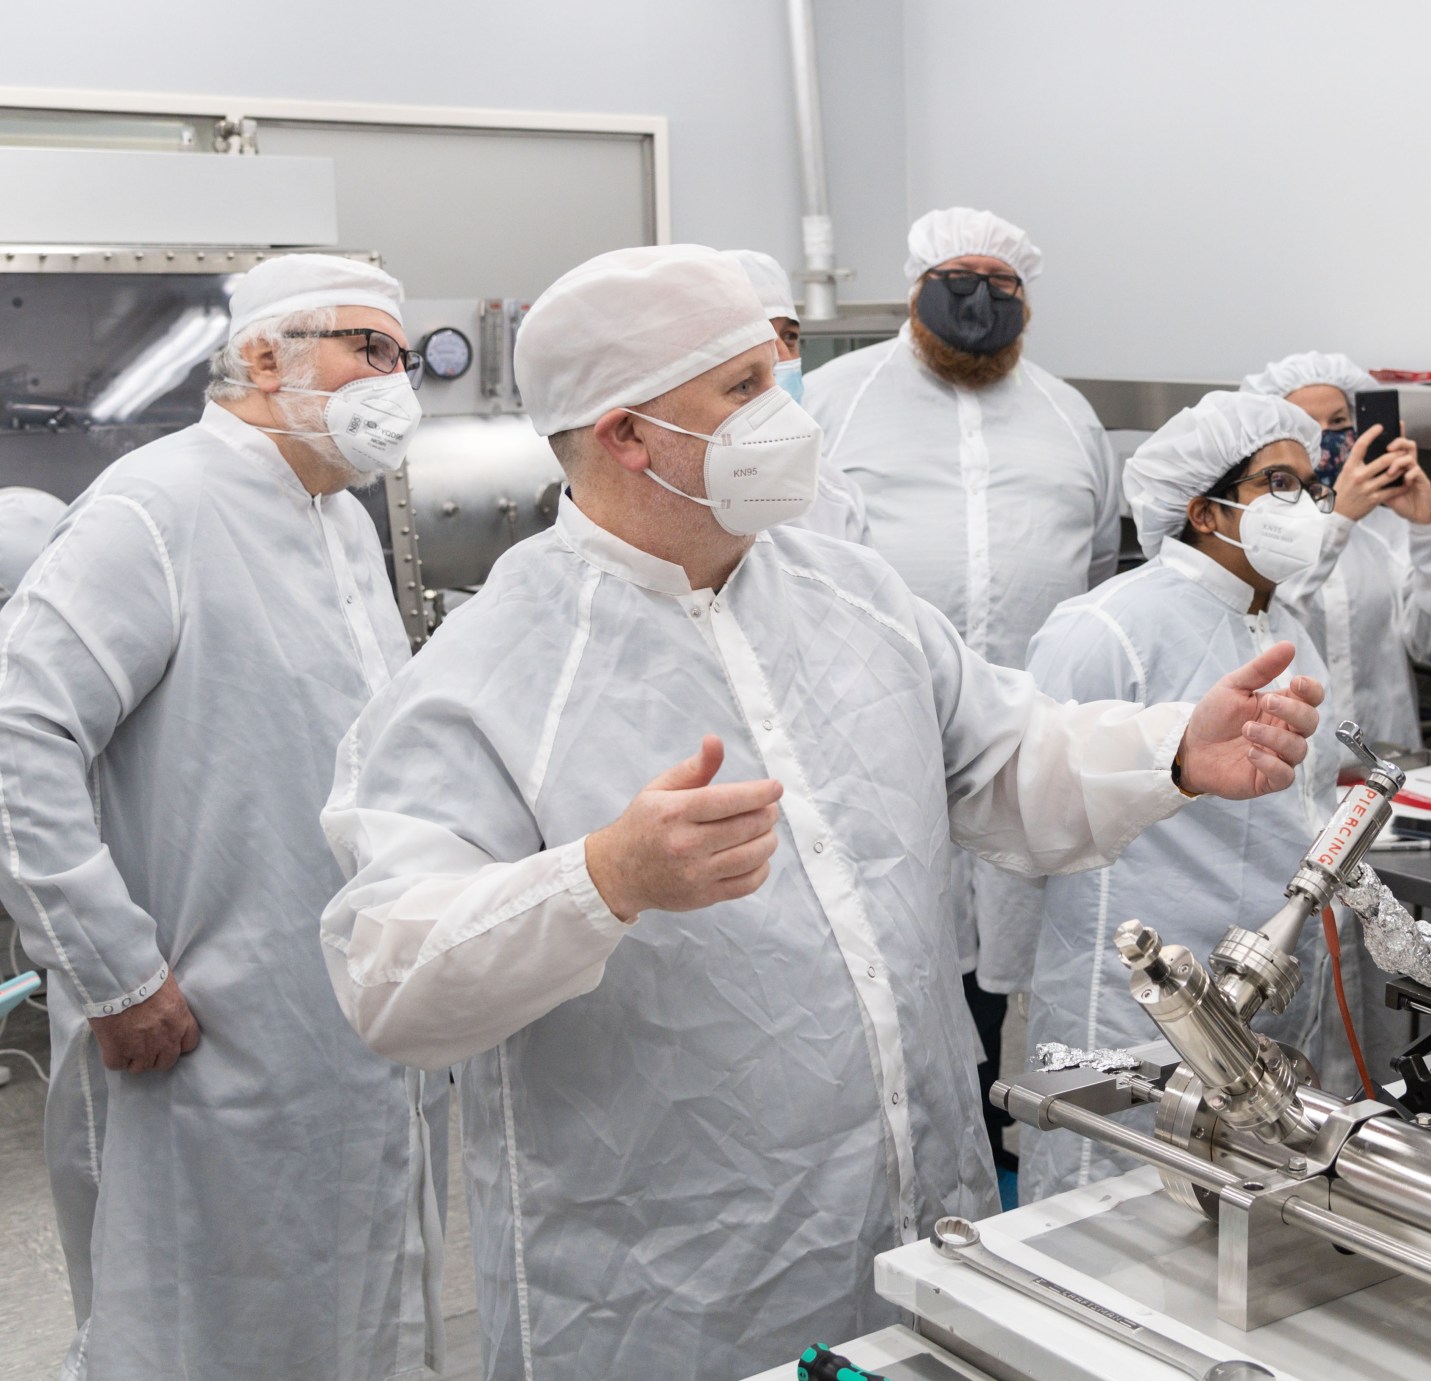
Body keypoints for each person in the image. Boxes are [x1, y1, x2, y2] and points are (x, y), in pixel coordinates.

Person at [318, 244, 1324, 1381]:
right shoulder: (488, 676)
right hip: (672, 1282)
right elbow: (388, 978)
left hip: (913, 1230)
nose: (786, 411)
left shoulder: (848, 590)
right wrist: (599, 879)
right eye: (742, 389)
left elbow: (1007, 758)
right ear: (625, 434)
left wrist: (1171, 750)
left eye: (776, 375)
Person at [0, 254, 441, 1380]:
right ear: (262, 356)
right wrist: (114, 973)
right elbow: (19, 734)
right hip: (198, 1033)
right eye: (369, 349)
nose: (397, 380)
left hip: (339, 1024)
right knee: (197, 1319)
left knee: (338, 1305)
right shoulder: (159, 505)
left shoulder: (336, 524)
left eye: (401, 353)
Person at [803, 207, 1124, 1161]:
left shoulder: (1070, 418)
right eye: (958, 276)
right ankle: (884, 1146)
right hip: (869, 733)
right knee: (884, 946)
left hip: (1023, 736)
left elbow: (1100, 562)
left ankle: (983, 1140)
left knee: (1003, 954)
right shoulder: (832, 402)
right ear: (914, 287)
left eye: (1003, 283)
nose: (980, 300)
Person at [1017, 391, 1348, 1201]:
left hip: (1261, 998)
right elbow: (1027, 812)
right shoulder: (1106, 628)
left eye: (1309, 487)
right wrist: (1018, 975)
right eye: (1277, 482)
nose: (1301, 506)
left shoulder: (1286, 630)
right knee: (1104, 1221)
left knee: (1226, 1228)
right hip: (1130, 1000)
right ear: (1204, 507)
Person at [1241, 351, 1431, 750]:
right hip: (1286, 772)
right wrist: (1337, 520)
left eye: (1339, 422)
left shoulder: (1383, 530)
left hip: (1384, 768)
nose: (1325, 436)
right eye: (1305, 424)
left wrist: (1427, 528)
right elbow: (1265, 623)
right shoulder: (1251, 529)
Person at [725, 248, 869, 543]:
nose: (781, 355)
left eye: (789, 337)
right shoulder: (675, 486)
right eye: (760, 334)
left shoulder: (833, 496)